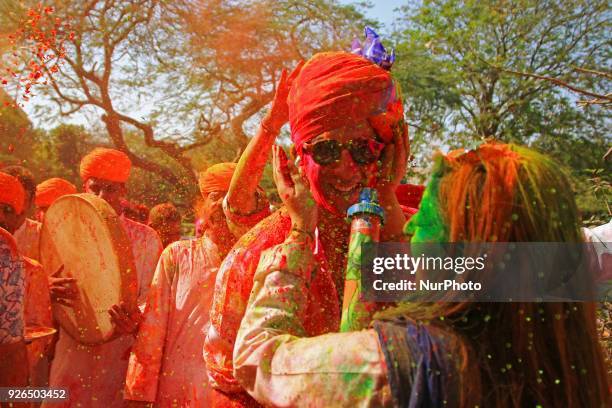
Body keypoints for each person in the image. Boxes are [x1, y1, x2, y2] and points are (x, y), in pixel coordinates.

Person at [233, 142, 610, 407]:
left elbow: (259, 360)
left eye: (425, 221)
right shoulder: (563, 362)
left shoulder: (409, 366)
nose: (410, 233)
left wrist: (299, 233)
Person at [204, 50, 409, 405]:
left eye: (363, 149)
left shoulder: (411, 233)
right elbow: (230, 376)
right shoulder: (259, 250)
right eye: (327, 150)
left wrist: (388, 208)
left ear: (388, 152)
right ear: (299, 156)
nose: (346, 169)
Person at [124, 164, 272, 407]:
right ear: (202, 205)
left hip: (237, 395)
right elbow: (152, 334)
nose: (227, 205)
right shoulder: (177, 255)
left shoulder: (265, 258)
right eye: (217, 197)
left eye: (236, 198)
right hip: (177, 392)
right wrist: (138, 395)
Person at [45, 147, 163, 408]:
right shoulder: (61, 231)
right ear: (83, 187)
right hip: (70, 349)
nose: (101, 196)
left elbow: (151, 300)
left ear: (124, 192)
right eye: (95, 188)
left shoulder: (146, 238)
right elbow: (36, 292)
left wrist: (133, 320)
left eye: (110, 189)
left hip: (119, 352)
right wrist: (46, 288)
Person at [1, 167, 54, 387]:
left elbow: (24, 343)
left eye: (7, 209)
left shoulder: (25, 268)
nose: (1, 217)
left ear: (22, 212)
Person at [0, 173, 29, 389]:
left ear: (19, 219)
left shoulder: (8, 255)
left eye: (7, 210)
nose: (0, 217)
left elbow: (11, 347)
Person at [3, 165, 40, 261]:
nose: (18, 208)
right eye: (8, 205)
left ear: (32, 201)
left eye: (24, 199)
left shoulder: (42, 236)